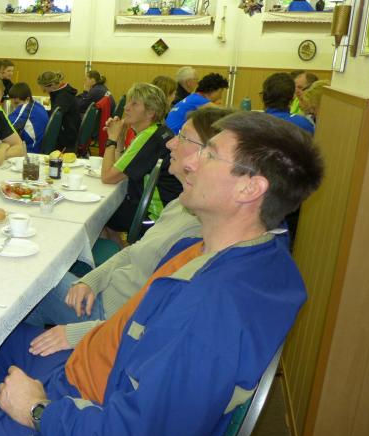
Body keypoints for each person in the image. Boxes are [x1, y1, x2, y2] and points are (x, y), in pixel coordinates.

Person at [0, 112, 324, 436]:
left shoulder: (211, 309)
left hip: (78, 411)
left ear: (249, 189)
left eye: (208, 154)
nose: (187, 160)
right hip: (90, 368)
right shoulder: (223, 252)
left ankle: (6, 427)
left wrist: (37, 411)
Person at [24, 107, 234, 349]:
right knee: (30, 303)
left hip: (108, 319)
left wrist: (80, 334)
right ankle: (31, 352)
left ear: (207, 155)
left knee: (32, 279)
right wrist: (91, 280)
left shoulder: (201, 230)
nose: (170, 143)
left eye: (183, 137)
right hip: (103, 296)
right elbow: (135, 250)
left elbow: (152, 322)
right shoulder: (182, 203)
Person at [102, 82, 182, 234]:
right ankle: (122, 247)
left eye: (134, 104)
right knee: (108, 210)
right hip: (168, 211)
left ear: (150, 112)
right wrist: (119, 139)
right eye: (128, 102)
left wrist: (111, 139)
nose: (126, 107)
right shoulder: (157, 131)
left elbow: (107, 177)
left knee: (100, 214)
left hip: (154, 216)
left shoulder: (148, 137)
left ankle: (124, 247)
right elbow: (119, 170)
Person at [37, 70, 81, 152]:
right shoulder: (63, 92)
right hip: (70, 131)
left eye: (45, 90)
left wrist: (39, 113)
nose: (46, 93)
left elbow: (53, 117)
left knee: (38, 138)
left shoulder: (62, 97)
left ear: (52, 85)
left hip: (67, 139)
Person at [8, 82, 49, 153]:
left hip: (31, 150)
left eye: (16, 103)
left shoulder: (25, 109)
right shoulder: (38, 105)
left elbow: (6, 126)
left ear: (27, 99)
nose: (15, 107)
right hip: (39, 146)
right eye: (12, 104)